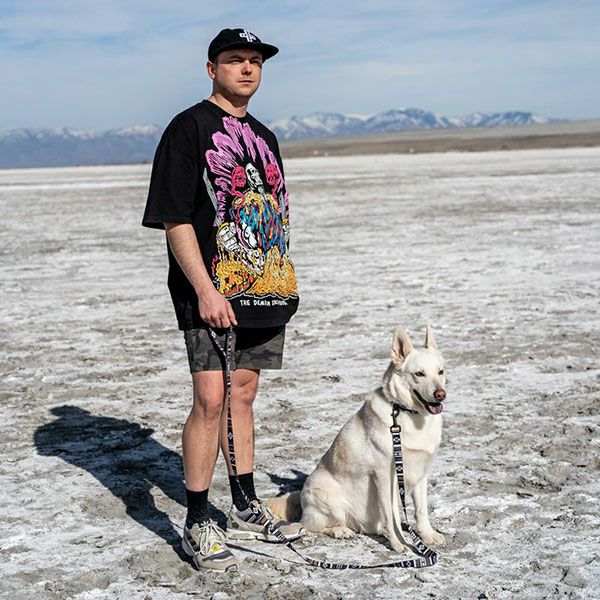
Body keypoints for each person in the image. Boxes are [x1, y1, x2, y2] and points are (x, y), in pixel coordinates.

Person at [141, 28, 303, 572]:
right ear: (212, 69)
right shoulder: (187, 128)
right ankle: (197, 520)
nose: (248, 68)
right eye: (236, 60)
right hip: (210, 290)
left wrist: (280, 279)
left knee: (245, 395)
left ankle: (245, 500)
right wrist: (205, 290)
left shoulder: (265, 136)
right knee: (211, 399)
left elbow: (274, 214)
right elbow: (175, 218)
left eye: (255, 61)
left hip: (263, 287)